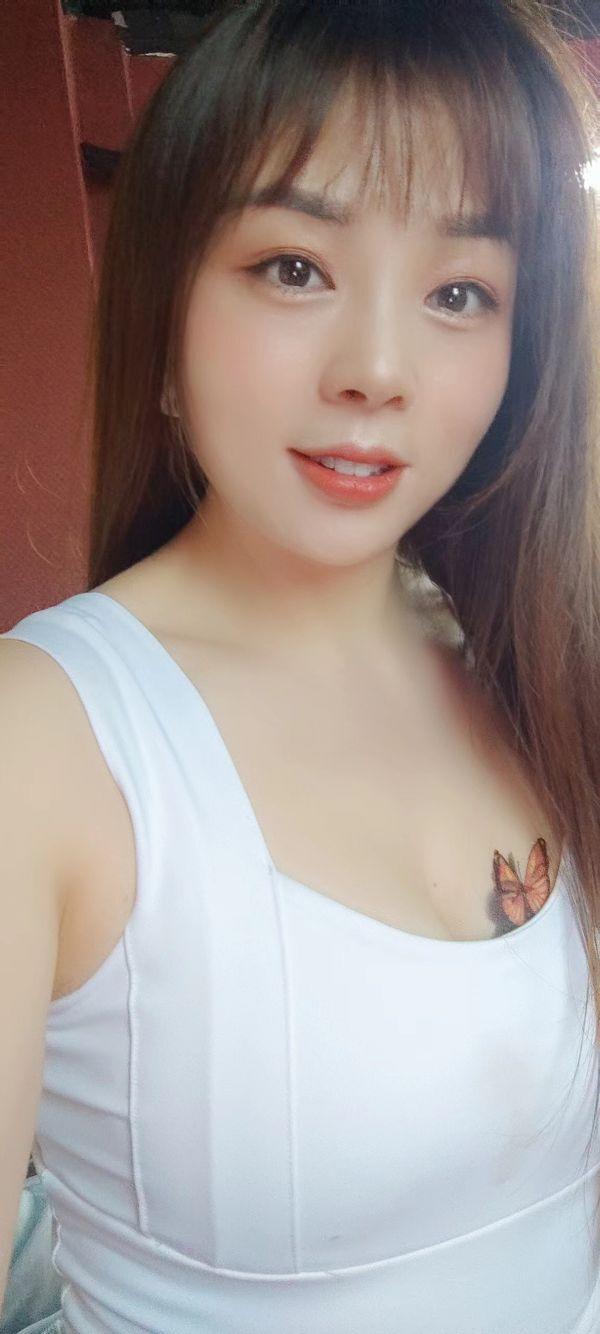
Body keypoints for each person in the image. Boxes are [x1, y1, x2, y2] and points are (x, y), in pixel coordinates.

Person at [1, 1, 599, 1330]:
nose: (377, 369)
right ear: (165, 307)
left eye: (460, 293)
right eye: (292, 267)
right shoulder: (44, 743)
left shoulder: (529, 660)